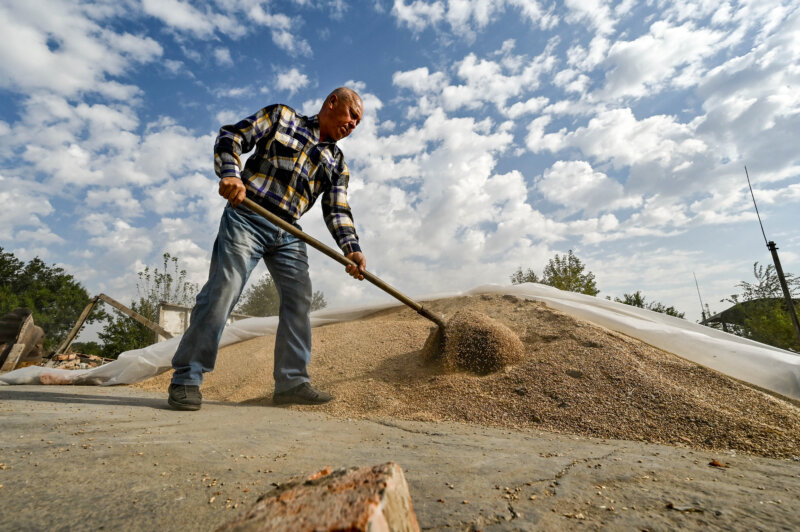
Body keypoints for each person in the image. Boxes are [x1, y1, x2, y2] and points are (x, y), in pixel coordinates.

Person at [167, 87, 366, 411]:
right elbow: (232, 138)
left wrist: (351, 248)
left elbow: (337, 210)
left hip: (288, 231)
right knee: (225, 287)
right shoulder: (282, 117)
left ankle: (291, 382)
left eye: (358, 122)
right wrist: (231, 174)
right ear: (333, 103)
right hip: (249, 213)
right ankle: (187, 377)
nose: (353, 125)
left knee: (299, 298)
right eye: (352, 115)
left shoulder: (337, 163)